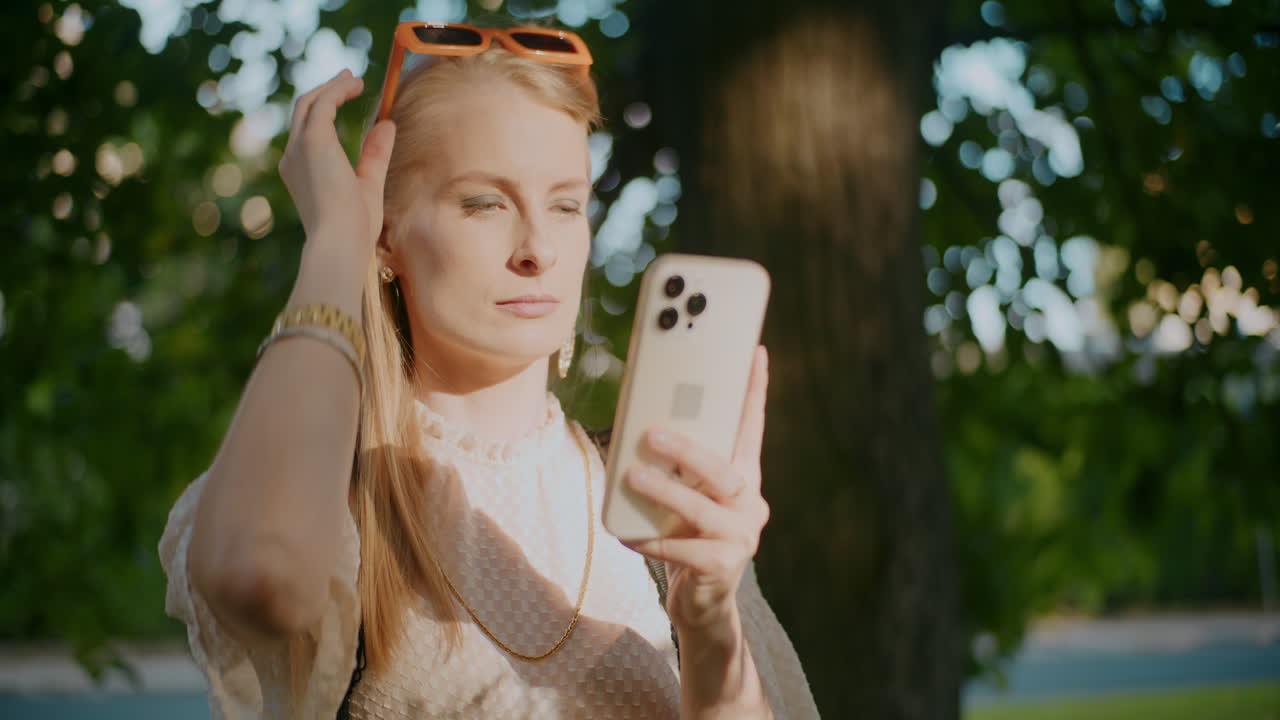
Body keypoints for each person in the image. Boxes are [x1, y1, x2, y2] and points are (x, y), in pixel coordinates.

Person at [159, 21, 818, 720]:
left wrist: (709, 618)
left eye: (566, 205)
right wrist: (334, 244)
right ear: (386, 233)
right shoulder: (328, 492)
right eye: (485, 203)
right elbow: (259, 574)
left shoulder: (656, 506)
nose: (539, 248)